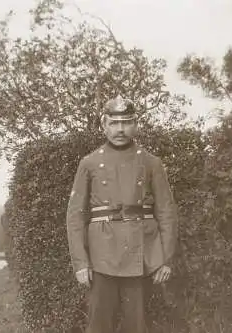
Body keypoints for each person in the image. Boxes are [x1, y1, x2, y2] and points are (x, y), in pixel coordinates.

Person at [66, 96, 179, 333]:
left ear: (136, 124)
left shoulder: (151, 163)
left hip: (140, 252)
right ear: (104, 125)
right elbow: (75, 215)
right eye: (114, 123)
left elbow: (167, 212)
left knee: (136, 324)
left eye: (126, 122)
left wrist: (165, 259)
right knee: (98, 324)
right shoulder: (89, 163)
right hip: (101, 255)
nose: (120, 129)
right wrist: (80, 262)